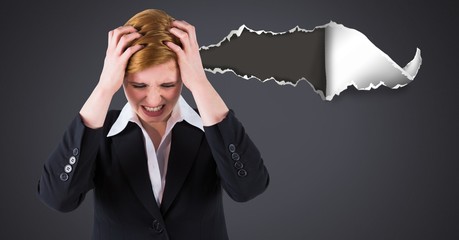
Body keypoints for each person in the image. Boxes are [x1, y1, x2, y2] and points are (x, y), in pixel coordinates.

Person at [37, 9, 269, 240]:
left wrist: (200, 83)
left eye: (168, 85)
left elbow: (248, 188)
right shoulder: (99, 131)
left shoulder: (211, 127)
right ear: (121, 79)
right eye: (139, 86)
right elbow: (58, 198)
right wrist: (104, 88)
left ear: (183, 77)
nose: (154, 100)